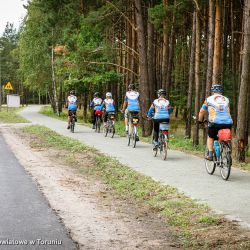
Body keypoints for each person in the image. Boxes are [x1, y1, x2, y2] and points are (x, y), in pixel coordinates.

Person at [198, 84, 233, 161]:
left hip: (215, 123)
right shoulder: (226, 99)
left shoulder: (208, 99)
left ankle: (210, 154)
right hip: (228, 122)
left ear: (212, 91)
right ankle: (225, 150)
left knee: (210, 137)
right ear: (221, 91)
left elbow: (201, 112)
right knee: (222, 137)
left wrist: (200, 121)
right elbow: (228, 112)